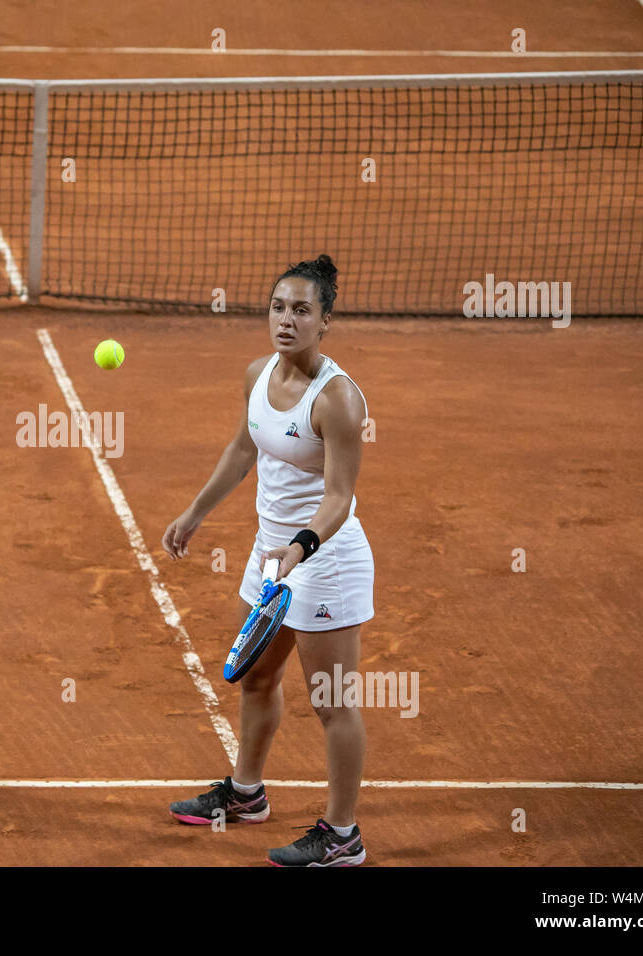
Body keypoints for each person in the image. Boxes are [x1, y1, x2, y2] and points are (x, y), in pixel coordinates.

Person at [162, 254, 374, 867]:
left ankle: (342, 835)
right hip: (270, 557)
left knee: (332, 701)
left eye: (301, 310)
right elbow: (242, 448)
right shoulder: (257, 374)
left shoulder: (338, 400)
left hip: (324, 560)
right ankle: (247, 793)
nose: (286, 320)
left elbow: (339, 498)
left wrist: (299, 548)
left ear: (324, 321)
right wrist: (195, 512)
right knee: (257, 677)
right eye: (279, 307)